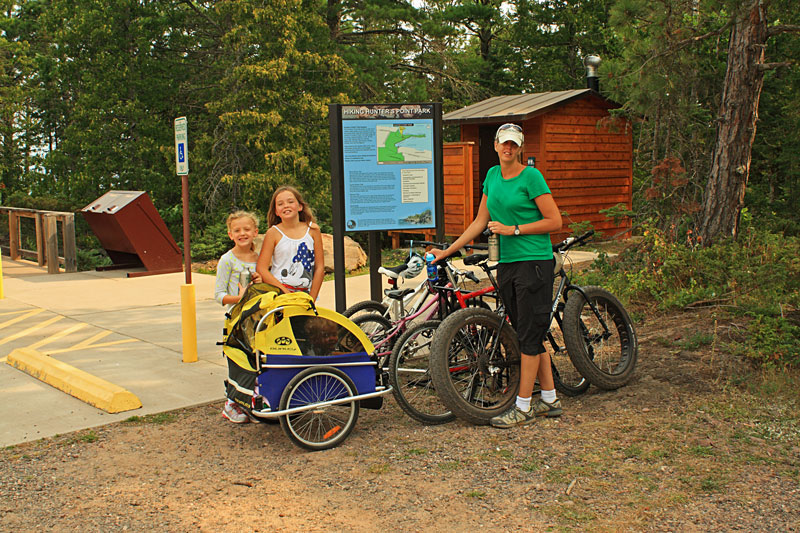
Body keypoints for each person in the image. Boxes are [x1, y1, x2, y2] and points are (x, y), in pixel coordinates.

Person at [429, 123, 563, 429]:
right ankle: (551, 400)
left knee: (529, 336)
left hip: (534, 262)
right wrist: (448, 251)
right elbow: (480, 221)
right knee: (528, 332)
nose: (508, 149)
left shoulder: (531, 176)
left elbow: (553, 220)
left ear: (520, 148)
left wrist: (513, 229)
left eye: (513, 145)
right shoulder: (491, 176)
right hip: (508, 263)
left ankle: (524, 406)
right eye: (504, 143)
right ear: (495, 145)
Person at [214, 210, 263, 423]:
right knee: (239, 360)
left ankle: (250, 402)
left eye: (246, 229)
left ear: (255, 232)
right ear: (230, 234)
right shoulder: (227, 260)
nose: (242, 233)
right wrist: (238, 298)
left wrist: (261, 280)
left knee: (257, 360)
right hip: (237, 318)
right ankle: (231, 403)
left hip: (258, 318)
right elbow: (218, 295)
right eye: (237, 230)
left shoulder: (260, 258)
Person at [256, 185, 325, 301]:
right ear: (276, 212)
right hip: (280, 296)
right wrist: (287, 294)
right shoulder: (273, 233)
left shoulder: (313, 230)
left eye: (290, 201)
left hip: (306, 296)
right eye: (280, 204)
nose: (286, 206)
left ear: (300, 206)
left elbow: (320, 268)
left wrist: (311, 299)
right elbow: (261, 268)